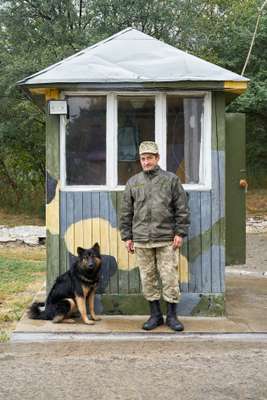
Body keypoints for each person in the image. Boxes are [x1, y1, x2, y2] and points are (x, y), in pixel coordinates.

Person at [119, 141, 190, 331]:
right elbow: (126, 212)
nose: (146, 162)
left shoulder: (171, 180)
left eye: (150, 158)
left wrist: (180, 232)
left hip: (167, 239)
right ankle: (155, 315)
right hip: (141, 240)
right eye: (143, 158)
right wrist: (127, 237)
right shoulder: (133, 182)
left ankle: (172, 317)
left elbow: (182, 209)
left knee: (169, 278)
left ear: (157, 158)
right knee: (148, 278)